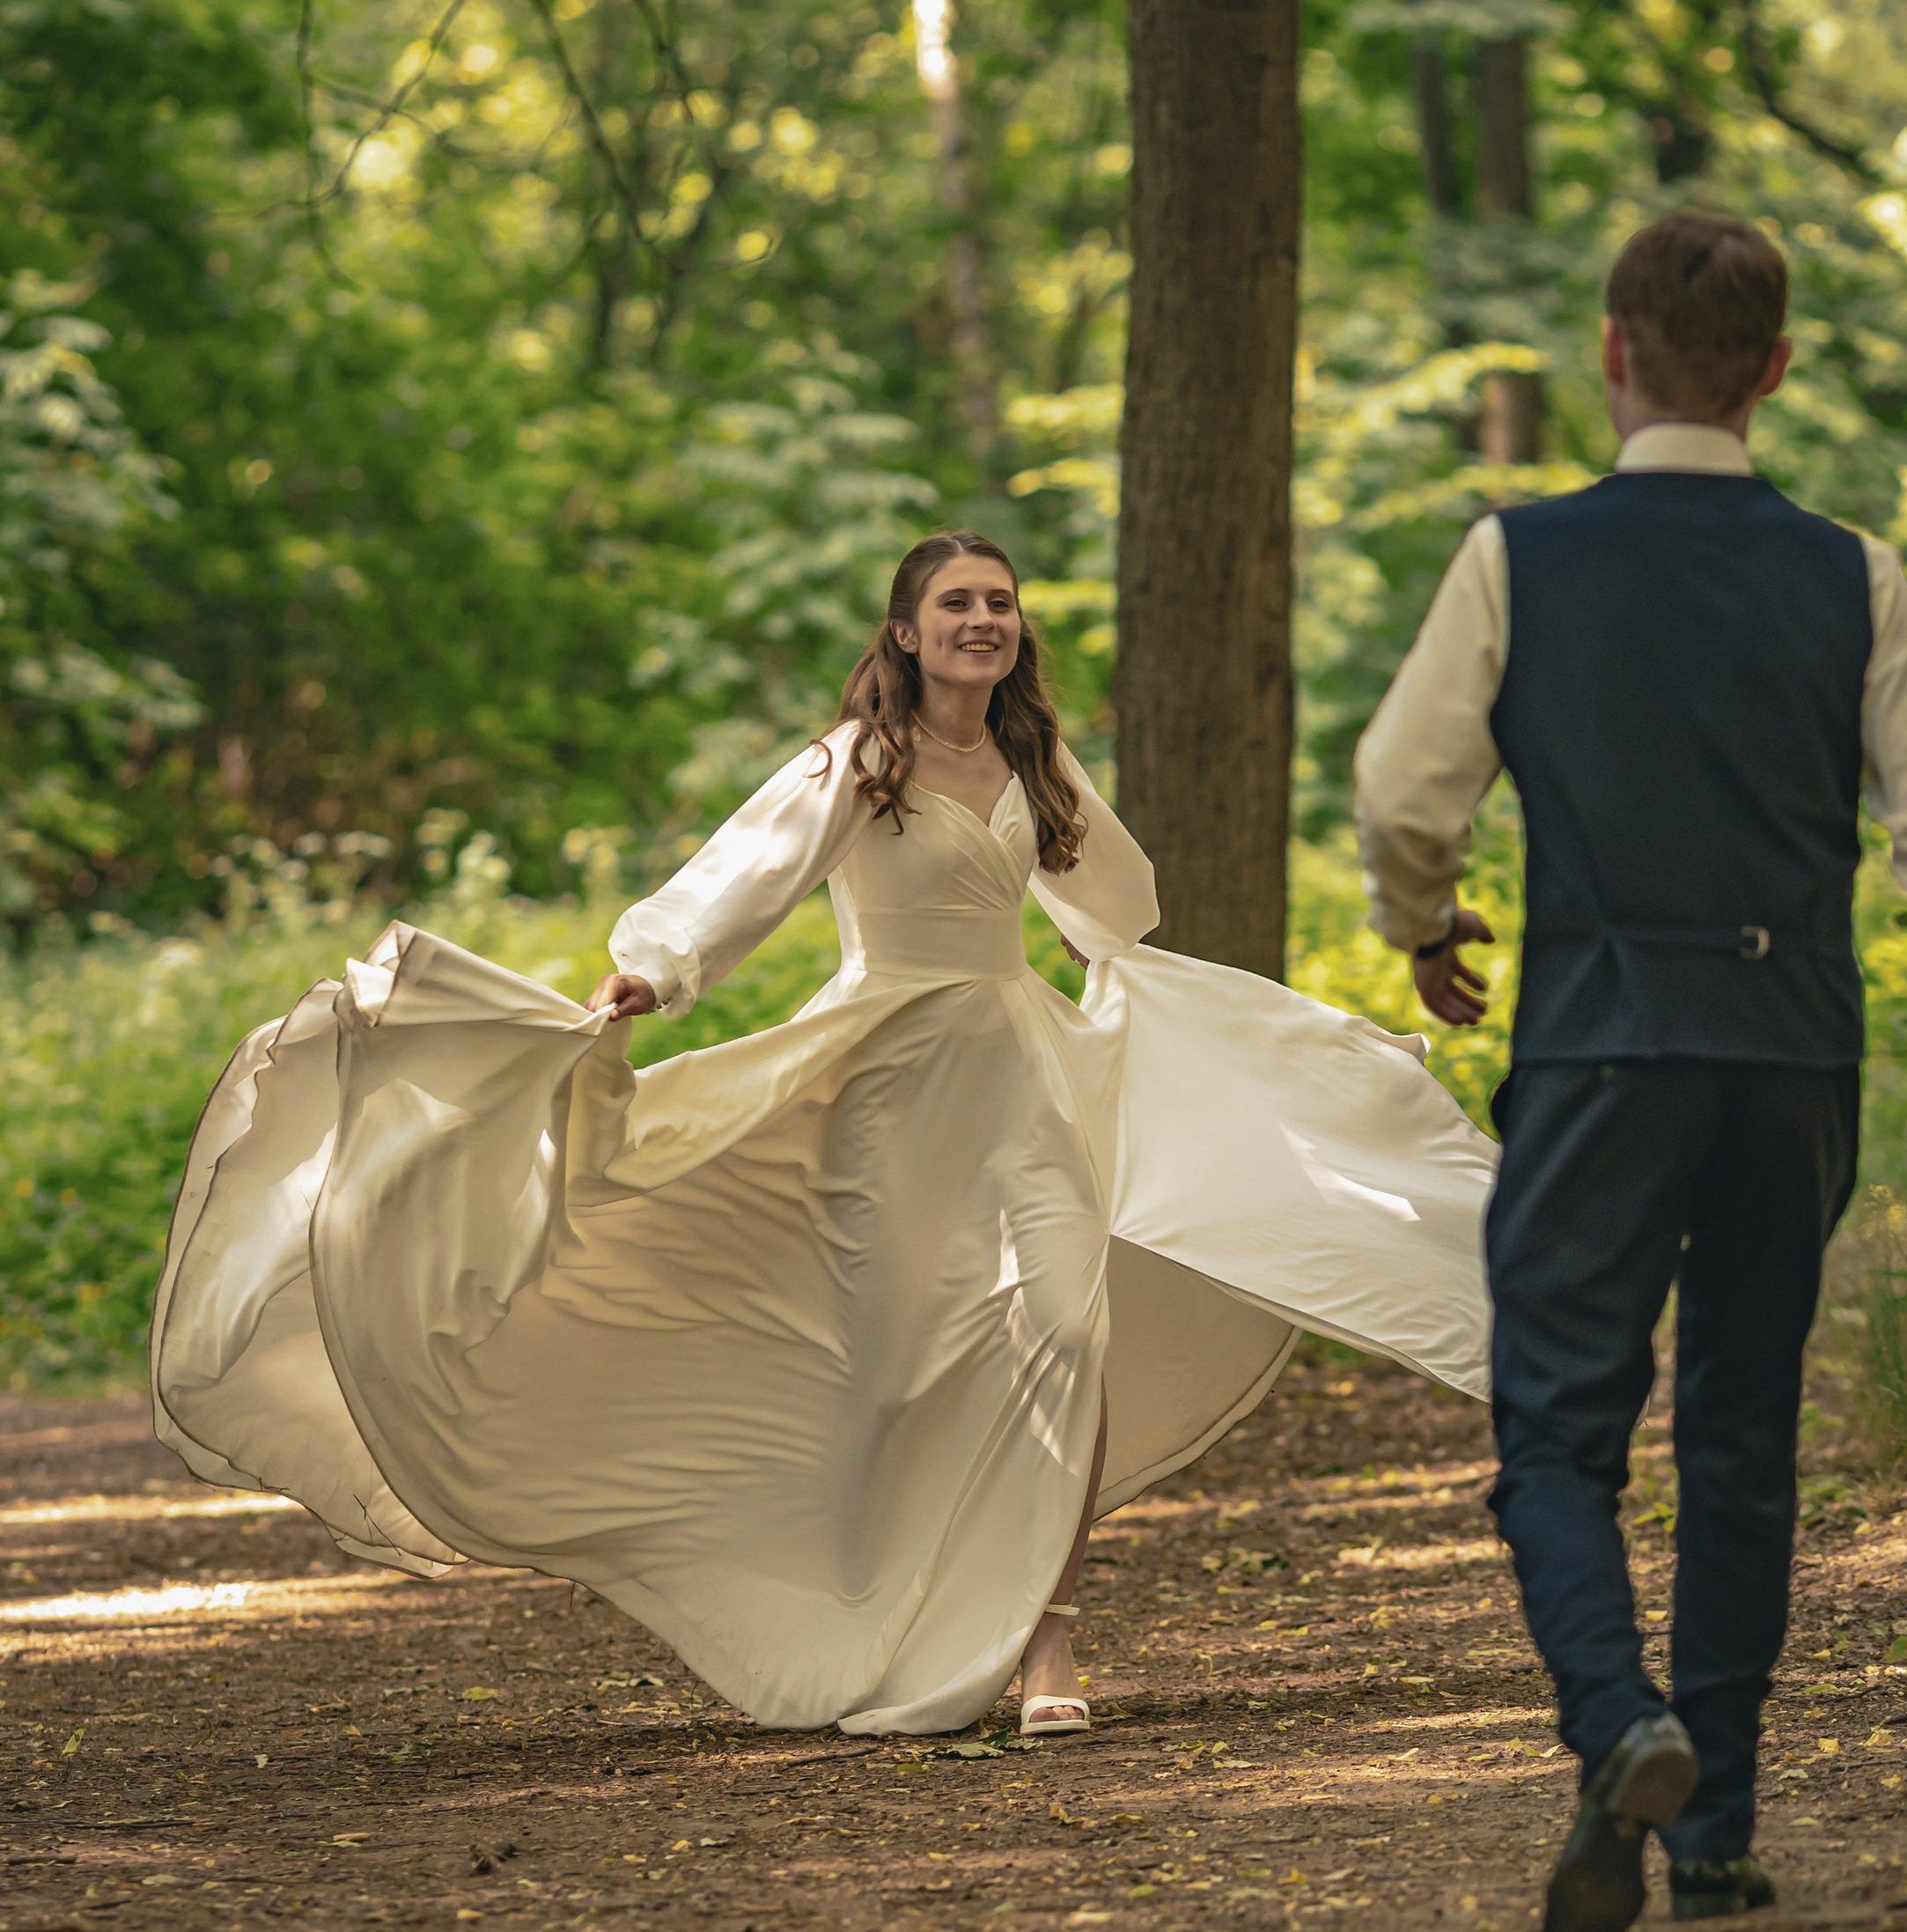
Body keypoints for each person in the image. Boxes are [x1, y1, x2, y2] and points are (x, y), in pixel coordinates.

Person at [154, 533, 1498, 1739]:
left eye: (1003, 605)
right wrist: (653, 972)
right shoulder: (863, 760)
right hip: (880, 1081)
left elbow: (1123, 907)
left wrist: (1093, 882)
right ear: (905, 632)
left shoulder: (1031, 761)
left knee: (1064, 1330)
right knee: (898, 1360)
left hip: (1016, 1071)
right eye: (958, 604)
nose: (986, 621)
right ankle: (886, 1616)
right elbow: (745, 877)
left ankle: (1047, 1636)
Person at [1354, 210, 1907, 1932]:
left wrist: (1423, 914)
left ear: (1610, 357)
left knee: (1556, 1424)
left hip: (1601, 1046)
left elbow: (1399, 788)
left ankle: (1618, 1724)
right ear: (1770, 369)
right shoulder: (1851, 576)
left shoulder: (1515, 559)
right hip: (1788, 1060)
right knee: (1742, 1437)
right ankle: (1722, 1837)